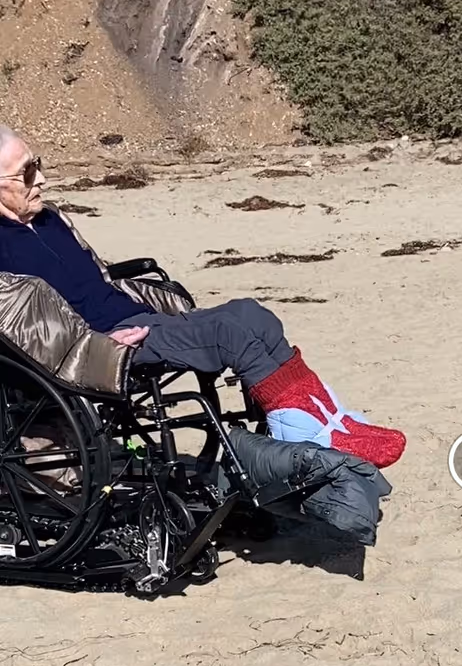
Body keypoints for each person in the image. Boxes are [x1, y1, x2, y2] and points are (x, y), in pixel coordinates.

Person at [0, 127, 405, 468]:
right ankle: (304, 436)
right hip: (101, 346)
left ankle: (330, 420)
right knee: (230, 334)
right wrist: (96, 344)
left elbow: (103, 279)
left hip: (134, 316)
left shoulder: (50, 219)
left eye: (38, 164)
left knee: (252, 314)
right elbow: (23, 331)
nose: (42, 179)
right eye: (26, 172)